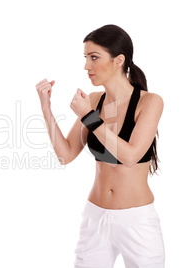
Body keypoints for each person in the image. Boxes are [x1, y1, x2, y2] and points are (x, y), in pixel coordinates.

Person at [36, 25, 164, 267]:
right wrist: (46, 108)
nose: (86, 66)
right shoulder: (94, 101)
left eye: (94, 57)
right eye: (85, 58)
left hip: (136, 221)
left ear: (119, 60)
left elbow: (130, 156)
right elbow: (65, 155)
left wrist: (90, 117)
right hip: (95, 217)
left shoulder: (150, 102)